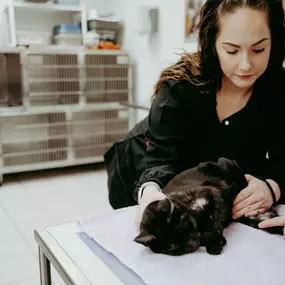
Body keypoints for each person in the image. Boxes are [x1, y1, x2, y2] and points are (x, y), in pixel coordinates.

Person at [104, 0, 285, 227]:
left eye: (259, 49)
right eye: (231, 51)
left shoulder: (278, 91)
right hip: (144, 161)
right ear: (212, 44)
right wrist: (150, 192)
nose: (246, 65)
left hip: (205, 186)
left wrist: (271, 187)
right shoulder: (180, 88)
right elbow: (160, 162)